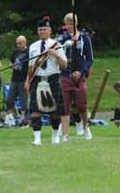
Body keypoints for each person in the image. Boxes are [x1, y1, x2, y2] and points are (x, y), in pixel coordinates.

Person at [25, 15, 68, 145]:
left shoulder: (57, 45)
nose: (42, 32)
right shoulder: (33, 46)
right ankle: (37, 139)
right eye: (40, 30)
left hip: (53, 78)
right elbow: (31, 66)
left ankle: (55, 136)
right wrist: (27, 81)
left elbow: (64, 65)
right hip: (37, 79)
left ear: (49, 31)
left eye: (44, 29)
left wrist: (55, 54)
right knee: (35, 110)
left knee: (55, 111)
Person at [59, 13, 94, 142]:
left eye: (71, 23)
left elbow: (90, 59)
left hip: (80, 76)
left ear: (76, 23)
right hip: (65, 75)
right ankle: (65, 134)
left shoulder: (85, 38)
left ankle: (86, 126)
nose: (69, 26)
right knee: (65, 105)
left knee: (81, 105)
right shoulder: (62, 39)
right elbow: (59, 57)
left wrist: (82, 71)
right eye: (67, 23)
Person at [7, 36, 29, 123]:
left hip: (24, 79)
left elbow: (31, 66)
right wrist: (11, 65)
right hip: (14, 79)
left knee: (23, 101)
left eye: (20, 43)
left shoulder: (29, 51)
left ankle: (24, 119)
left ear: (25, 42)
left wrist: (28, 80)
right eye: (17, 43)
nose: (18, 45)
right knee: (9, 100)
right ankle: (17, 116)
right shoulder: (15, 52)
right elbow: (10, 62)